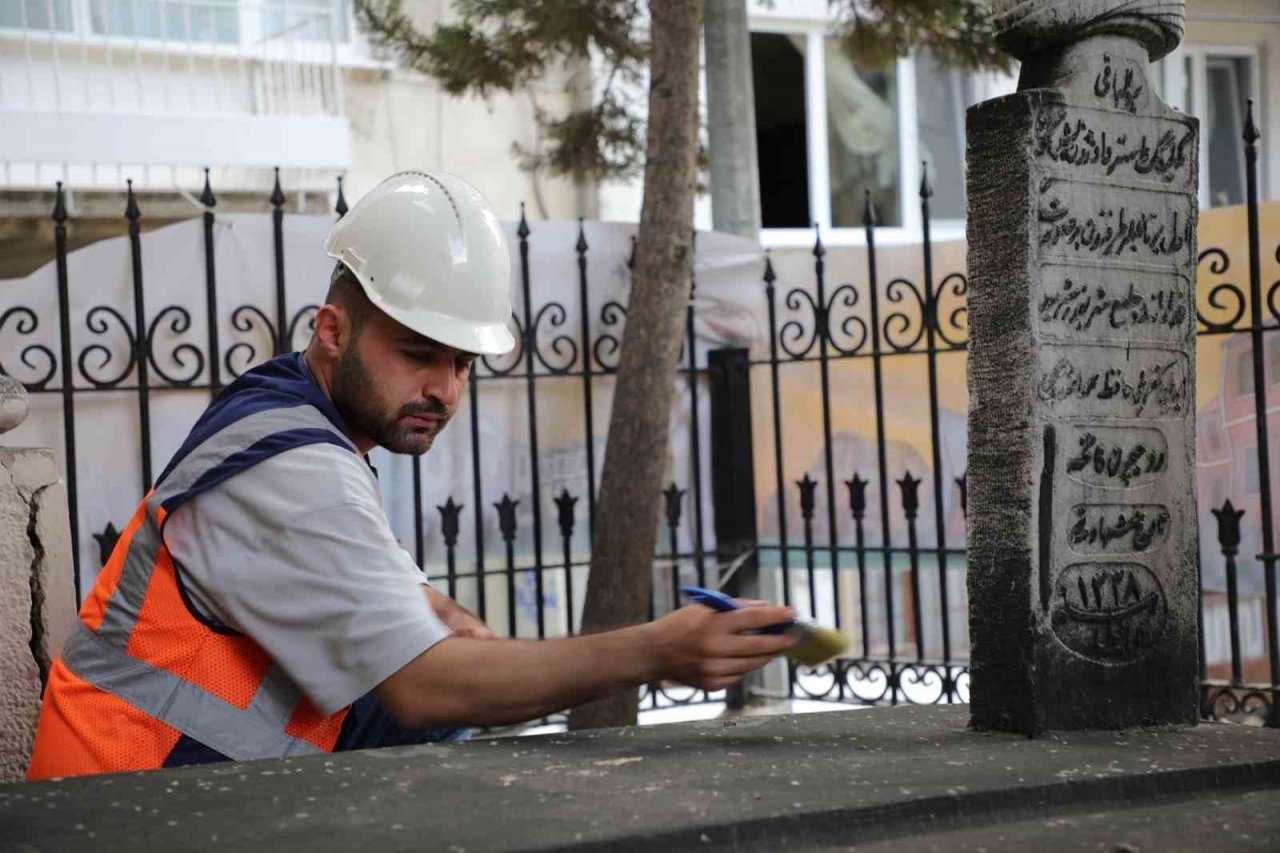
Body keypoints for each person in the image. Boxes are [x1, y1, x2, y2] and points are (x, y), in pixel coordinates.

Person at [27, 171, 795, 780]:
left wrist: (427, 602)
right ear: (333, 330)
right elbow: (424, 685)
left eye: (462, 363)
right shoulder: (294, 466)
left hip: (171, 795)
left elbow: (335, 567)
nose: (445, 389)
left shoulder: (291, 411)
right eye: (418, 353)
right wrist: (660, 649)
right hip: (123, 807)